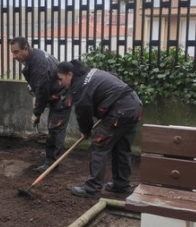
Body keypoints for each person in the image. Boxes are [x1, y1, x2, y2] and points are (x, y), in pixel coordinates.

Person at [56, 59, 142, 198]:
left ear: (69, 74)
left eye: (61, 79)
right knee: (121, 146)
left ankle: (92, 188)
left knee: (99, 145)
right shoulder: (90, 73)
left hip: (120, 110)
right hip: (133, 105)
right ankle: (121, 184)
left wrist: (86, 131)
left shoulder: (79, 86)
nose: (60, 84)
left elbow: (83, 112)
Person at [10, 37, 71, 173]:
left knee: (55, 129)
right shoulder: (34, 55)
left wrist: (36, 113)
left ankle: (52, 164)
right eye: (12, 53)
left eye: (16, 52)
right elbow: (40, 85)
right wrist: (33, 88)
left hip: (61, 96)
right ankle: (51, 157)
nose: (14, 56)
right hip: (56, 93)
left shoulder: (38, 63)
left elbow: (42, 90)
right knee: (54, 128)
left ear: (26, 48)